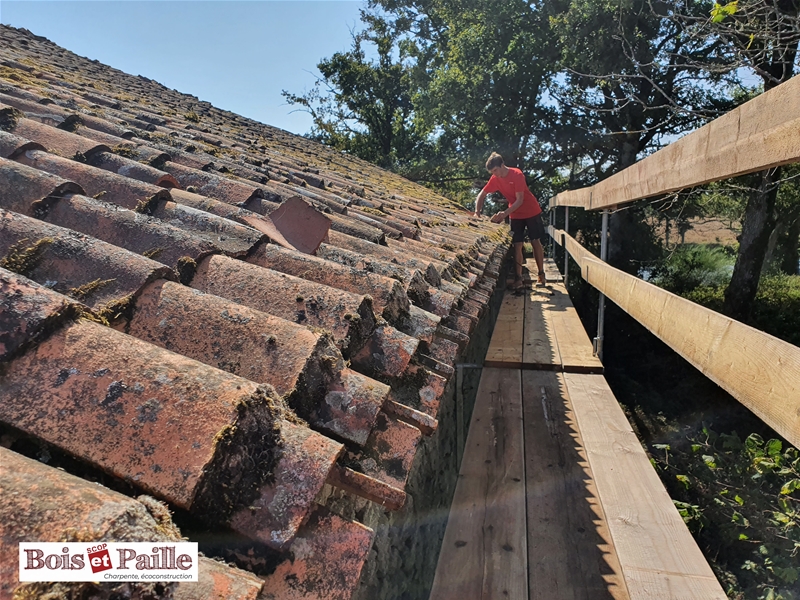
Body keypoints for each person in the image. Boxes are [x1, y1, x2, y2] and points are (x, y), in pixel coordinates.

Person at [473, 152, 545, 291]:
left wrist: (504, 214)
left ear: (502, 165)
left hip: (531, 211)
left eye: (495, 170)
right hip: (515, 214)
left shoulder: (517, 175)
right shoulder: (495, 178)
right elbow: (482, 194)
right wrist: (477, 212)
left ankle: (541, 274)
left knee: (535, 241)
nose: (494, 174)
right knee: (517, 245)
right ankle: (519, 279)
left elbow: (520, 200)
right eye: (492, 172)